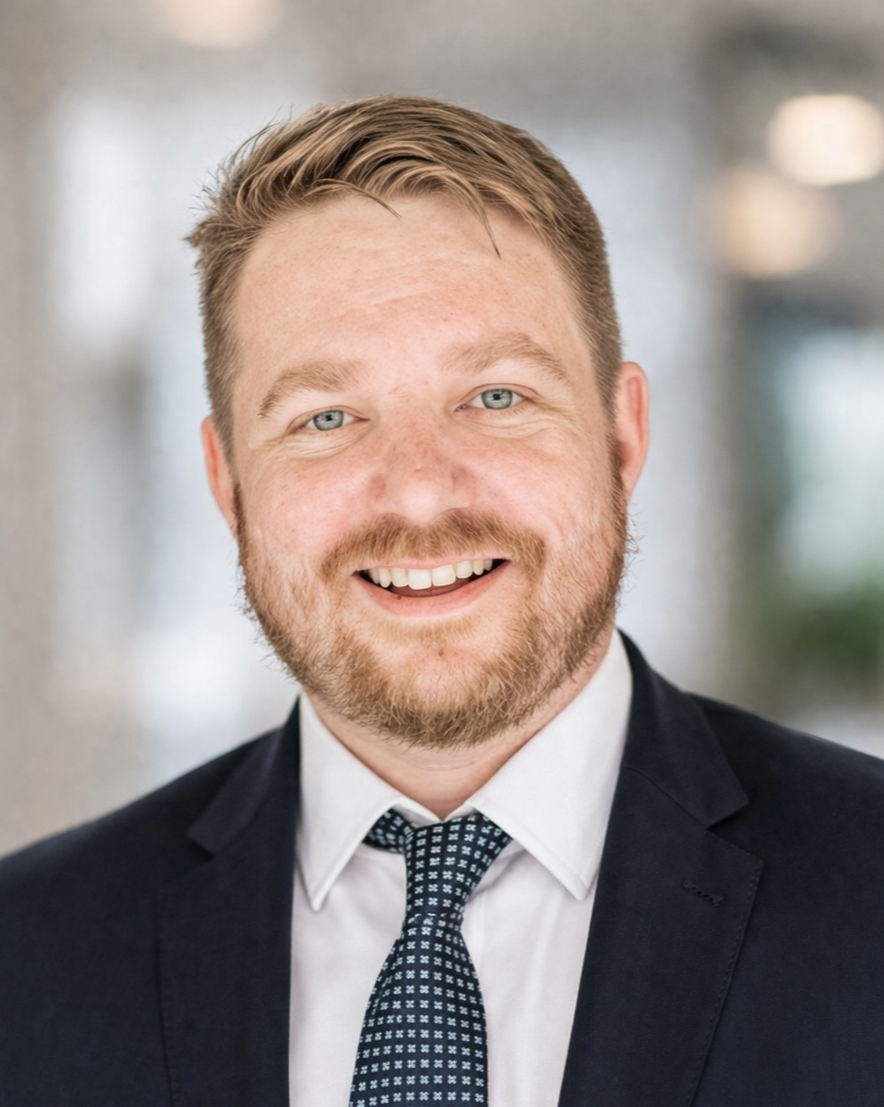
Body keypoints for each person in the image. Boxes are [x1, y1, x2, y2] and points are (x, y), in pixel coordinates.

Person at [1, 95, 883, 1107]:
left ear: (621, 435)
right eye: (325, 417)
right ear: (228, 482)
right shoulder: (26, 959)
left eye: (496, 397)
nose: (420, 493)